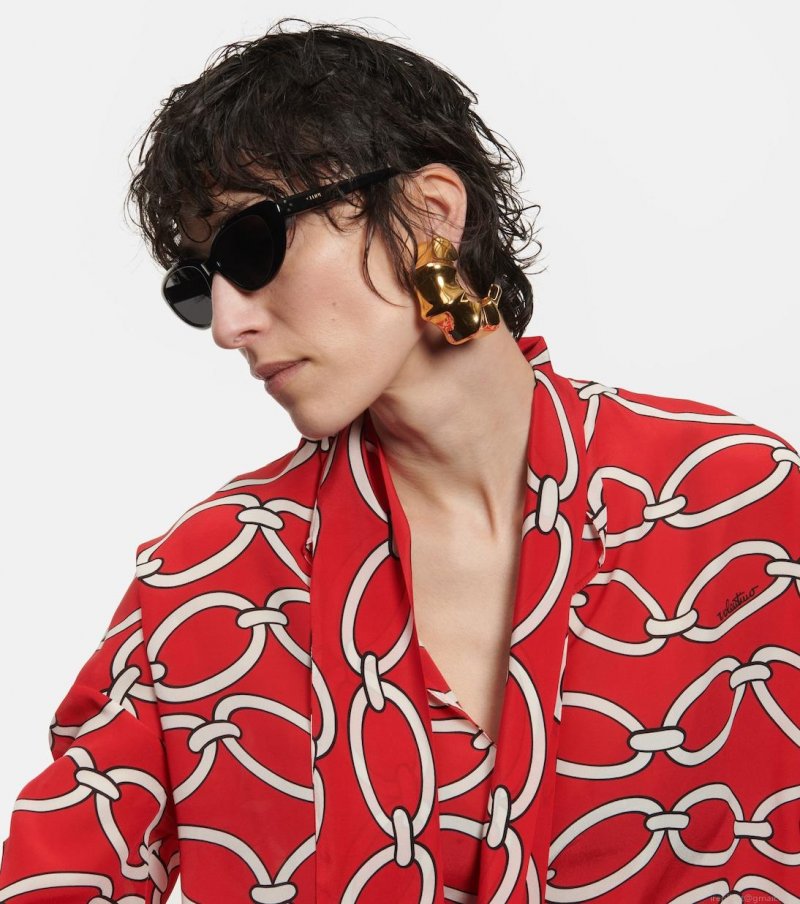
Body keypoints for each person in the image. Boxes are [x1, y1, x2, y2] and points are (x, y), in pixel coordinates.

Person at [1, 17, 798, 904]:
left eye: (252, 246)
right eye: (198, 285)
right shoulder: (209, 580)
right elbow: (58, 871)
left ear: (430, 214)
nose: (228, 325)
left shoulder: (740, 503)